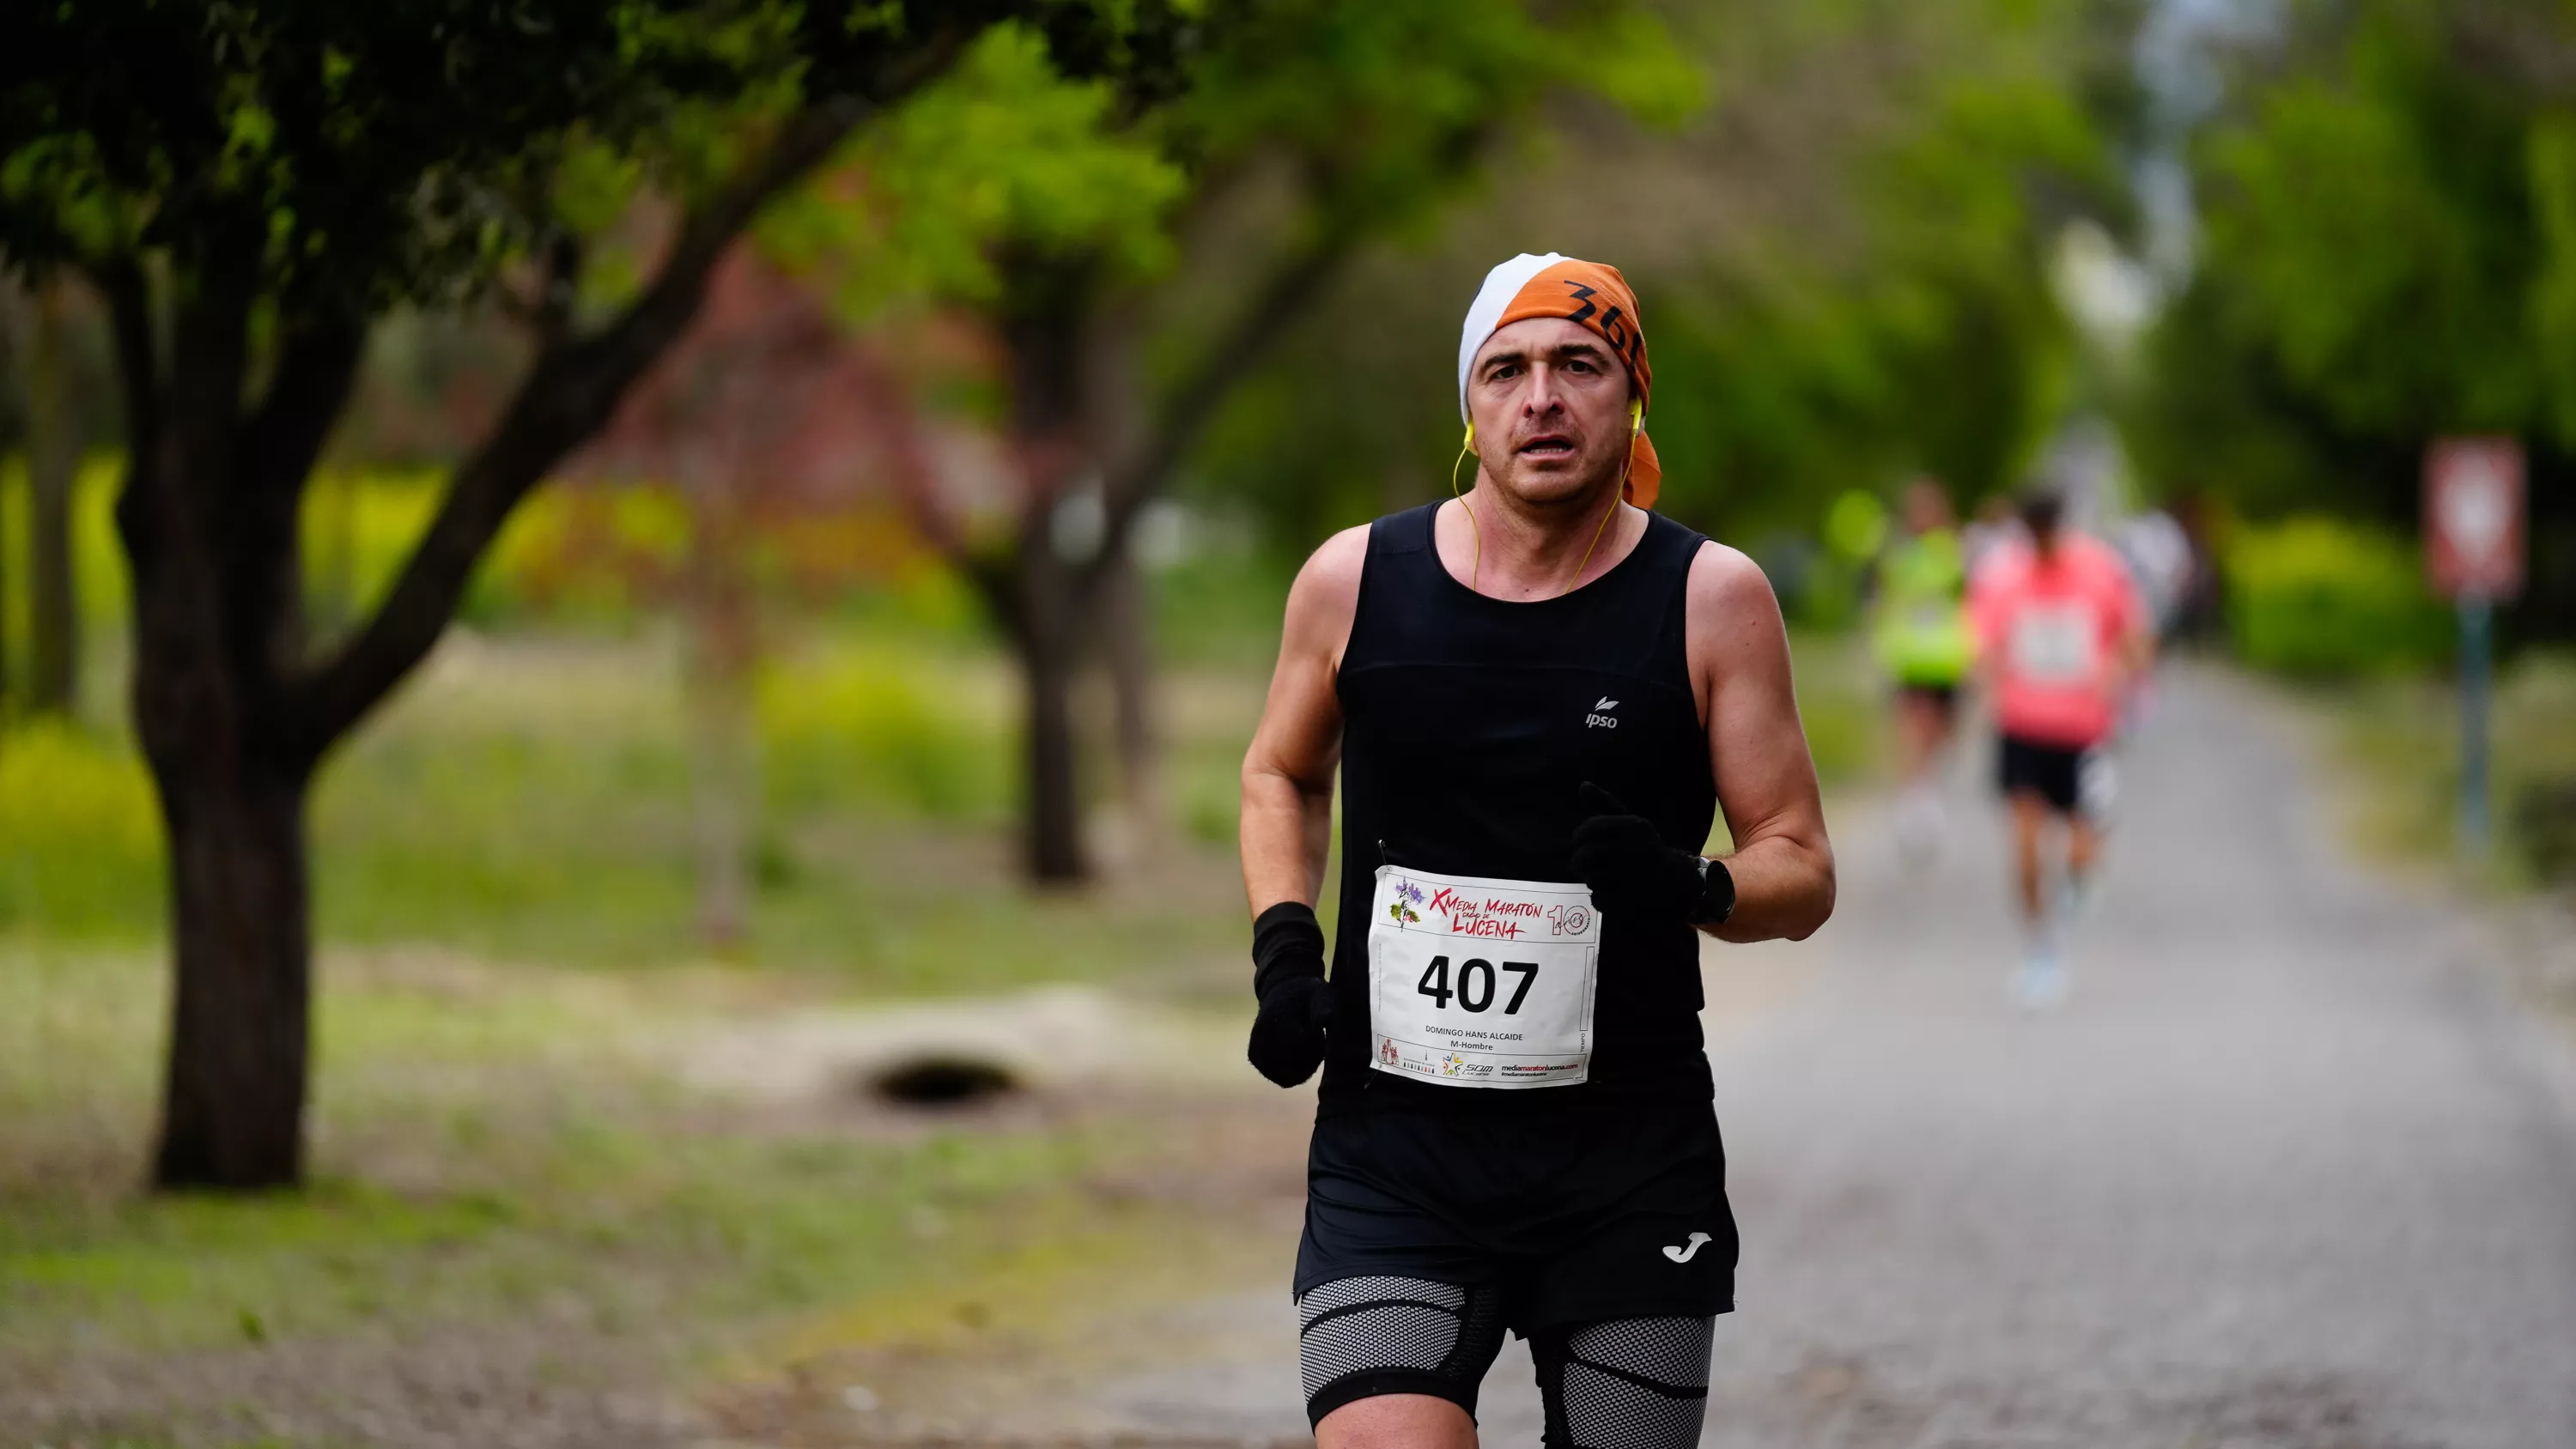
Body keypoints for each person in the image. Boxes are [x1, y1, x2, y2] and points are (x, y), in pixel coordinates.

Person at [1236, 252, 1835, 1449]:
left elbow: (1801, 865)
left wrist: (1692, 883)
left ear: (1633, 398)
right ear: (1470, 408)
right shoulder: (1354, 580)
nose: (1542, 399)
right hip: (1395, 1153)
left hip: (1626, 1159)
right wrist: (1285, 948)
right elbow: (1281, 771)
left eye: (1580, 366)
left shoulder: (1711, 598)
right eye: (1505, 371)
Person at [1966, 486, 2151, 1009]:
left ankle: (2079, 883)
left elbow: (2135, 636)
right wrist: (1986, 686)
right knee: (2024, 849)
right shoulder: (2003, 575)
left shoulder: (2099, 569)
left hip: (2084, 731)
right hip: (2023, 728)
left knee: (2079, 851)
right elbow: (1982, 644)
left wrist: (2121, 676)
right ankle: (2041, 948)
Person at [1868, 478, 1975, 861]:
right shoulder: (1901, 555)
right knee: (1913, 728)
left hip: (1946, 657)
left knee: (1941, 732)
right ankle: (1915, 802)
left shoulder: (1952, 552)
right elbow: (1885, 599)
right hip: (1911, 657)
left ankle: (1924, 791)